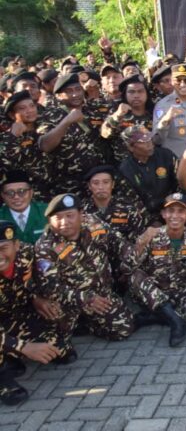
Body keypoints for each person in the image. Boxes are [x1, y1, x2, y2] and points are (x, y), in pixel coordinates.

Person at [34, 194, 142, 347]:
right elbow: (51, 288)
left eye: (69, 216)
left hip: (100, 293)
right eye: (57, 218)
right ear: (49, 221)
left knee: (123, 328)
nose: (64, 222)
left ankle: (88, 324)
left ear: (81, 214)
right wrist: (86, 298)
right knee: (56, 343)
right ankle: (68, 331)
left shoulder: (92, 223)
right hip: (69, 302)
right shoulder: (45, 247)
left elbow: (117, 242)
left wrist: (131, 260)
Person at [130, 193, 186, 347]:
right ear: (163, 214)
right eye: (170, 211)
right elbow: (128, 268)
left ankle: (157, 316)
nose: (175, 216)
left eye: (180, 211)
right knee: (135, 276)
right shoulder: (151, 236)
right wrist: (140, 244)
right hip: (152, 293)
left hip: (179, 292)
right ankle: (176, 321)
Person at [0, 221, 69, 406]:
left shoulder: (27, 254)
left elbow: (44, 283)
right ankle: (3, 379)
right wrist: (24, 347)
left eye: (3, 248)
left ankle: (10, 356)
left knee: (60, 350)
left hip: (12, 316)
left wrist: (37, 298)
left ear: (16, 245)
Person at [37, 72, 111, 194]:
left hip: (100, 181)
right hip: (70, 185)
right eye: (69, 91)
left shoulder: (94, 109)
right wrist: (66, 122)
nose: (75, 94)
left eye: (78, 89)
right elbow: (45, 145)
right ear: (59, 96)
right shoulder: (50, 115)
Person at [118, 125, 178, 220]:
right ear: (130, 147)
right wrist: (150, 221)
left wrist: (174, 204)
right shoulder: (126, 168)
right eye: (143, 141)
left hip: (172, 210)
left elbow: (180, 182)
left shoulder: (166, 156)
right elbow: (131, 200)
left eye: (149, 139)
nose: (149, 144)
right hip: (144, 217)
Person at [0, 90, 51, 198]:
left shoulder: (46, 129)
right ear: (12, 115)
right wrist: (13, 136)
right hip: (25, 196)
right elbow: (5, 164)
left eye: (32, 106)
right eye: (22, 108)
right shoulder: (7, 138)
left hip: (53, 189)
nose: (30, 110)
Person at [152, 64, 186, 162]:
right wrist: (165, 120)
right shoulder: (163, 105)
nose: (182, 84)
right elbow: (156, 140)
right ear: (172, 81)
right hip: (175, 162)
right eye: (178, 80)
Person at [81, 165, 148, 243]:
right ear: (89, 186)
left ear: (112, 184)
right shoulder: (82, 211)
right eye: (96, 183)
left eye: (106, 182)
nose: (101, 187)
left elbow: (141, 239)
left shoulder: (128, 208)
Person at [100, 75, 154, 163]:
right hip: (124, 166)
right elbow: (105, 134)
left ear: (147, 94)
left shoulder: (154, 113)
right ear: (125, 94)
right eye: (131, 92)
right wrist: (117, 116)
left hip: (151, 165)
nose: (136, 95)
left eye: (140, 91)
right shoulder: (117, 112)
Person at [0, 171, 46, 244]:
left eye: (22, 191)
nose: (16, 197)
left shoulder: (47, 212)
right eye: (9, 193)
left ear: (31, 192)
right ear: (3, 195)